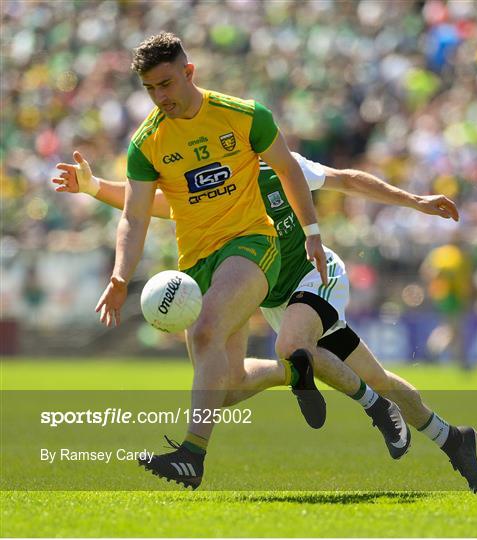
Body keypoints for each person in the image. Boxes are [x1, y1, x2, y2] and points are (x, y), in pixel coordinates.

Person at [53, 150, 477, 493]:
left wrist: (414, 200)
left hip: (315, 274)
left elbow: (347, 179)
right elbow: (157, 205)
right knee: (230, 388)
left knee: (293, 344)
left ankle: (371, 406)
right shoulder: (212, 190)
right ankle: (451, 437)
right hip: (276, 299)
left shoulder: (277, 165)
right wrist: (93, 187)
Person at [87, 31, 335, 490]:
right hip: (197, 262)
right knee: (227, 385)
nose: (161, 97)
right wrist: (121, 275)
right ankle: (295, 369)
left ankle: (191, 456)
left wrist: (313, 234)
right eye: (151, 89)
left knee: (205, 331)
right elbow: (134, 217)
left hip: (252, 245)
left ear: (188, 72)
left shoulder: (244, 115)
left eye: (166, 84)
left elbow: (287, 170)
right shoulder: (147, 142)